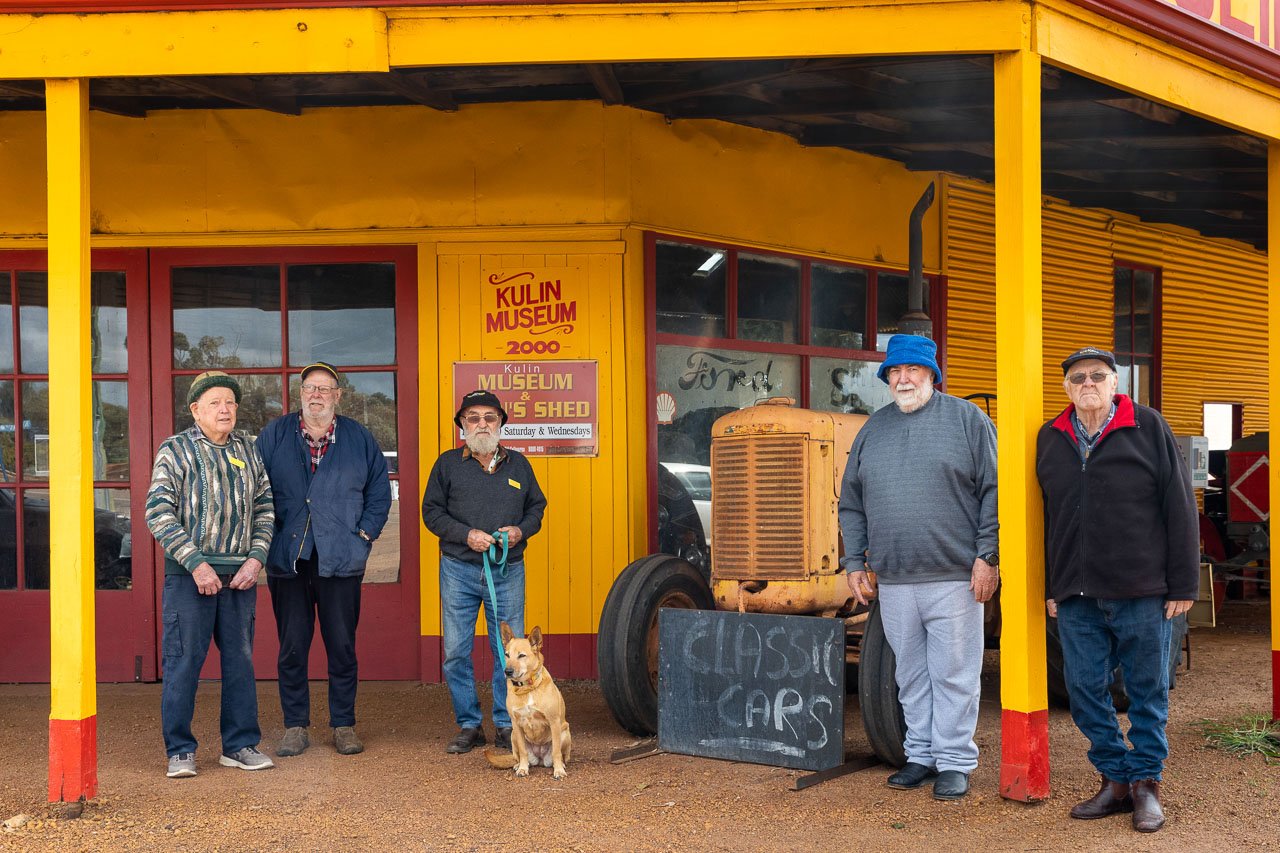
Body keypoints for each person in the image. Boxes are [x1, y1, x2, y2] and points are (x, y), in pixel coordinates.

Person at [1036, 346, 1197, 833]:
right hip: (1077, 595)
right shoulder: (1050, 438)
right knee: (1084, 691)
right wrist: (1052, 584)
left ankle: (1146, 782)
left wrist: (1184, 582)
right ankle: (1116, 778)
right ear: (1066, 387)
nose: (1088, 383)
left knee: (1147, 692)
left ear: (1114, 384)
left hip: (1143, 589)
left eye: (1098, 376)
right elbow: (1045, 519)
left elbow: (1180, 505)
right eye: (1078, 377)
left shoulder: (1148, 428)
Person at [838, 334, 999, 801]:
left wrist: (987, 556)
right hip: (895, 579)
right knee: (910, 673)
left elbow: (994, 489)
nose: (903, 378)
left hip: (955, 576)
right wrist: (854, 562)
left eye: (912, 370)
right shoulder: (874, 428)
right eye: (894, 371)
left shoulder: (968, 420)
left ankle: (954, 761)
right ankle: (921, 755)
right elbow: (852, 502)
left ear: (932, 373)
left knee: (954, 672)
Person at [257, 361, 392, 758]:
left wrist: (362, 537)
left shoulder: (359, 438)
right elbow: (255, 490)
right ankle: (295, 725)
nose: (316, 394)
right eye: (309, 388)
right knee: (292, 646)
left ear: (338, 396)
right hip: (289, 559)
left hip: (340, 559)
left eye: (324, 388)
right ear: (300, 395)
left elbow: (379, 495)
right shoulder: (275, 435)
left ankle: (343, 724)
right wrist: (268, 539)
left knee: (341, 645)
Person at [146, 370, 276, 779]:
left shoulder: (248, 449)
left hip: (240, 577)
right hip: (190, 576)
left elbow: (266, 508)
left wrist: (255, 560)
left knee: (240, 661)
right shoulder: (176, 450)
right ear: (195, 410)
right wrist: (197, 564)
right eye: (216, 403)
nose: (225, 409)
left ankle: (239, 745)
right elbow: (158, 513)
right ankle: (181, 750)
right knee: (184, 661)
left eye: (231, 403)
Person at [423, 390, 548, 755]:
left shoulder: (520, 465)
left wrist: (520, 530)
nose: (481, 424)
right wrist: (466, 535)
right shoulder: (446, 465)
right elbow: (431, 513)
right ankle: (469, 723)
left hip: (507, 570)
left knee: (508, 653)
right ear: (462, 424)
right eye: (473, 417)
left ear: (501, 424)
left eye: (489, 417)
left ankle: (506, 723)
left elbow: (536, 509)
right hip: (458, 570)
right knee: (455, 651)